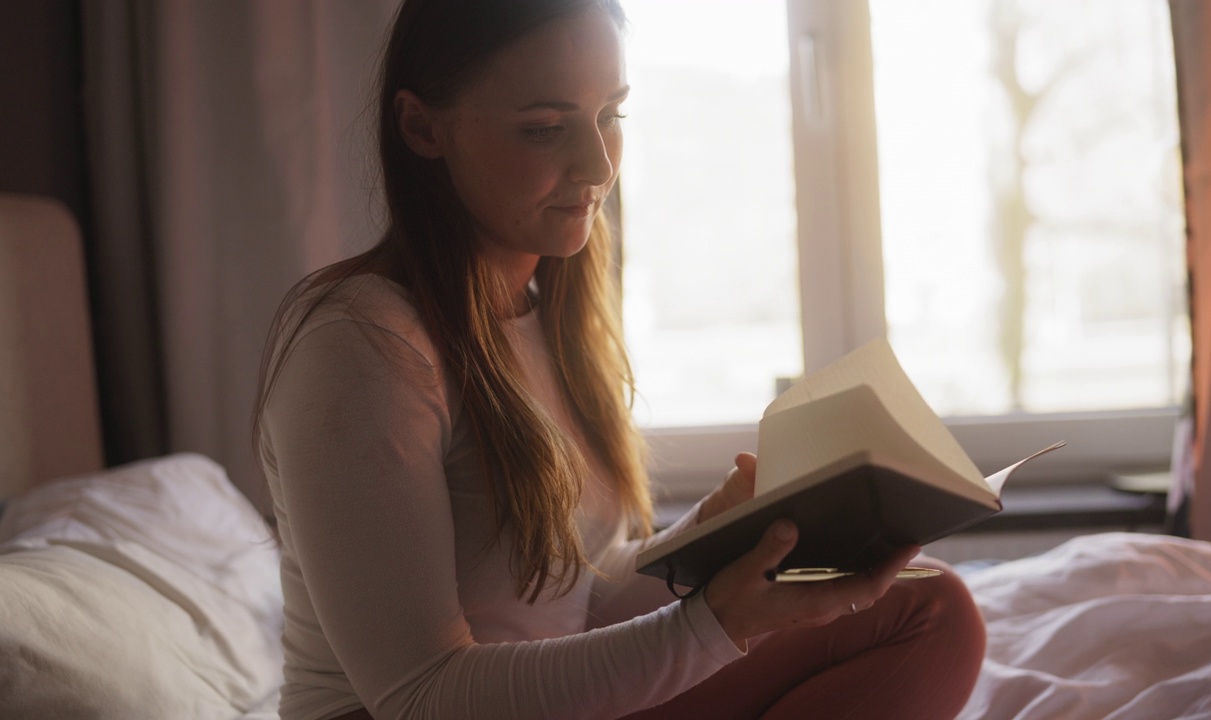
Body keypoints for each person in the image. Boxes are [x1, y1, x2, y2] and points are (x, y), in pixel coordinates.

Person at [254, 1, 986, 718]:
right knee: (926, 613)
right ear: (421, 126)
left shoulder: (544, 310)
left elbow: (576, 604)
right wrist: (717, 623)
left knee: (931, 607)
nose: (597, 164)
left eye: (612, 116)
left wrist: (711, 545)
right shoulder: (361, 344)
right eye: (544, 128)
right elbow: (419, 696)